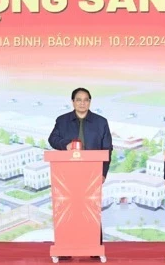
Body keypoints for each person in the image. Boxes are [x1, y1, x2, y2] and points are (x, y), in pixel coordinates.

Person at [48, 87, 113, 253]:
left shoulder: (101, 122)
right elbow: (52, 139)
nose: (82, 103)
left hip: (92, 174)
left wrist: (103, 173)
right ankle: (65, 247)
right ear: (72, 102)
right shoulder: (62, 120)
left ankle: (94, 247)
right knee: (67, 210)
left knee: (91, 209)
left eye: (86, 100)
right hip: (67, 174)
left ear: (90, 102)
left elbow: (107, 149)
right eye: (78, 99)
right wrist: (65, 144)